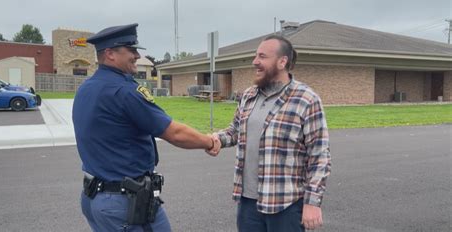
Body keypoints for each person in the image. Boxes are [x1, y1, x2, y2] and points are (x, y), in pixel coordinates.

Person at [73, 23, 221, 232]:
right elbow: (174, 133)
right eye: (130, 50)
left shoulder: (86, 88)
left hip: (94, 198)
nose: (136, 55)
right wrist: (209, 141)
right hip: (125, 204)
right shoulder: (124, 91)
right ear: (110, 54)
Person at [213, 35, 331, 231]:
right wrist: (216, 139)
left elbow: (320, 156)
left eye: (262, 56)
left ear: (282, 61)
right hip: (248, 204)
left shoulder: (306, 99)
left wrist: (312, 202)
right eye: (255, 56)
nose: (255, 62)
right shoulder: (249, 95)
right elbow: (235, 130)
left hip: (285, 205)